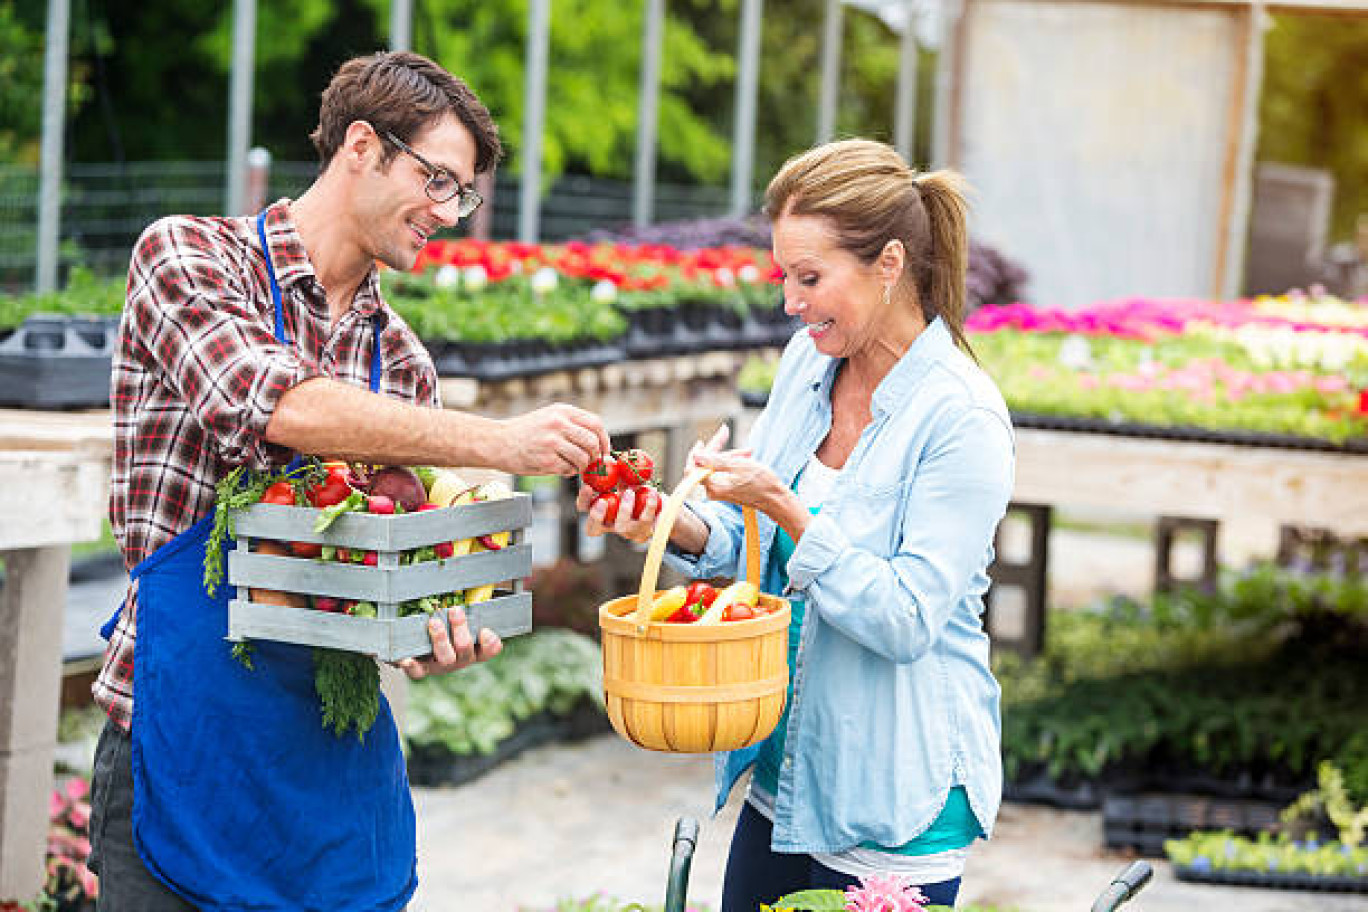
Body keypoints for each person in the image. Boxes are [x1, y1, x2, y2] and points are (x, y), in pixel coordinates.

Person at [88, 51, 611, 911]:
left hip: (328, 760)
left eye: (464, 194)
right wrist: (497, 443)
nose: (449, 213)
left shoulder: (400, 359)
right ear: (362, 146)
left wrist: (438, 629)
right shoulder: (188, 256)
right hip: (176, 744)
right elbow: (272, 403)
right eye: (437, 180)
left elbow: (389, 592)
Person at [581, 139, 1014, 909]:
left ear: (888, 265)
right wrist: (666, 524)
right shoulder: (807, 364)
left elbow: (907, 618)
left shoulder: (961, 417)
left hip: (894, 800)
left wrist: (785, 503)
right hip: (787, 777)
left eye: (810, 278)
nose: (791, 301)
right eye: (785, 274)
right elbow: (755, 552)